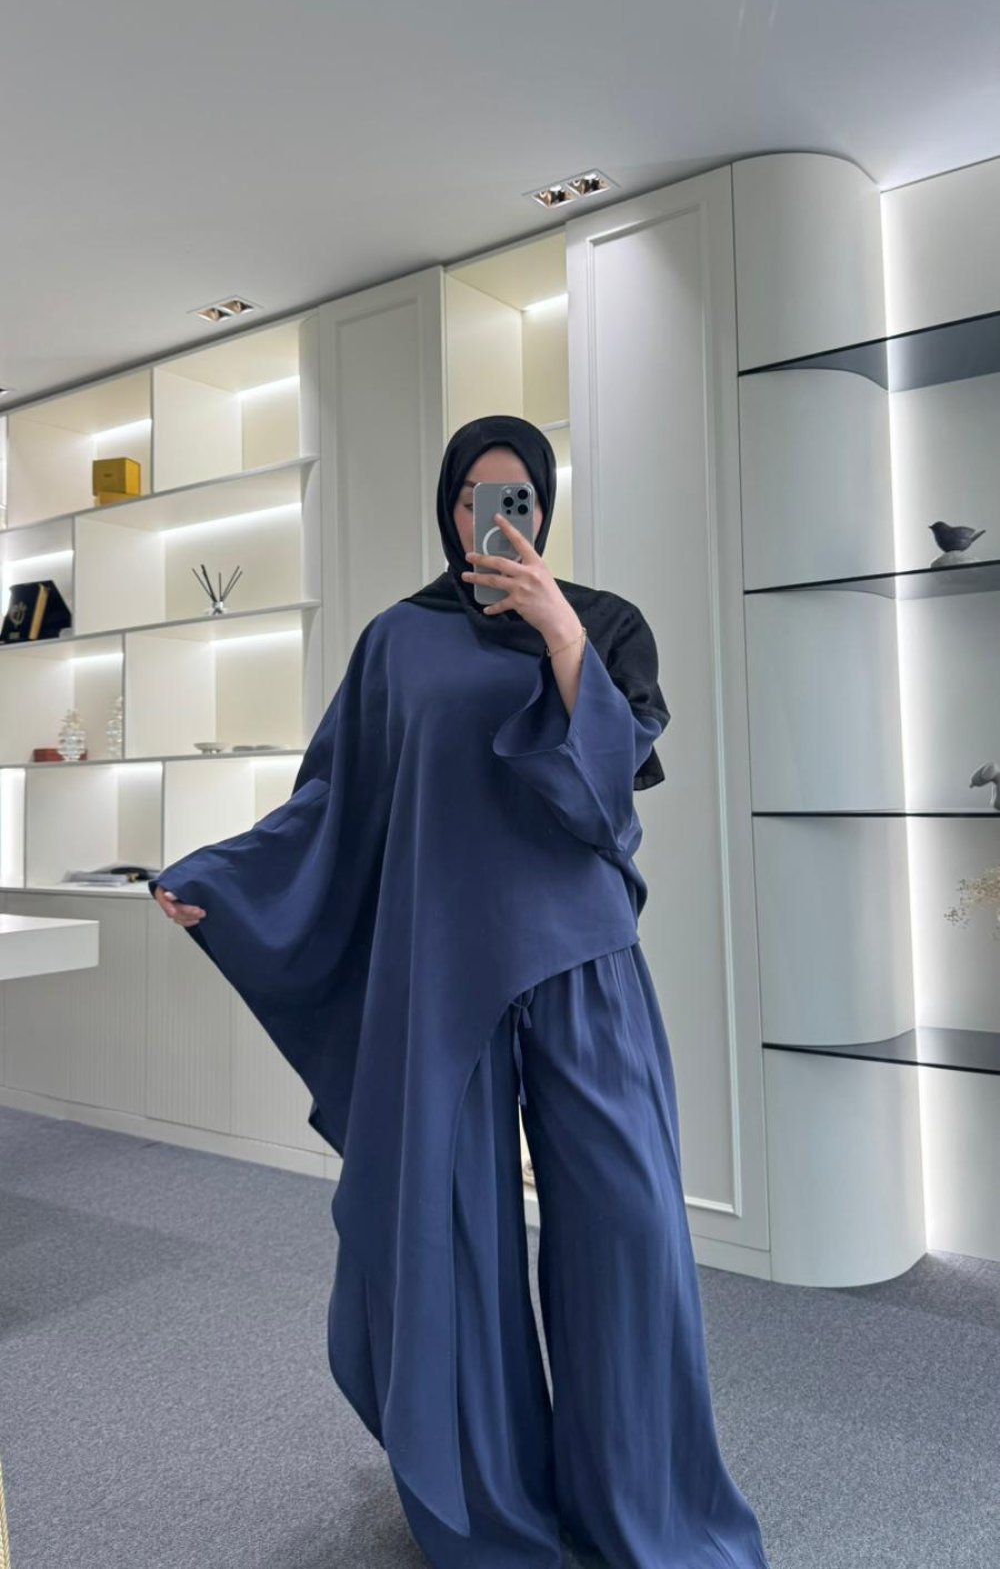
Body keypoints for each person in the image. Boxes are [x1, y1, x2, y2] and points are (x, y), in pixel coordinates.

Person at [151, 414, 771, 1569]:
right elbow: (335, 800)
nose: (496, 518)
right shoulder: (397, 639)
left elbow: (613, 792)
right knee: (452, 1239)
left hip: (584, 962)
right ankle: (493, 1510)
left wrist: (558, 632)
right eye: (474, 497)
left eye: (518, 497)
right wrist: (223, 879)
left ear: (544, 505)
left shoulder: (605, 622)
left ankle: (643, 1509)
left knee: (627, 1233)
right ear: (448, 509)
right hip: (444, 970)